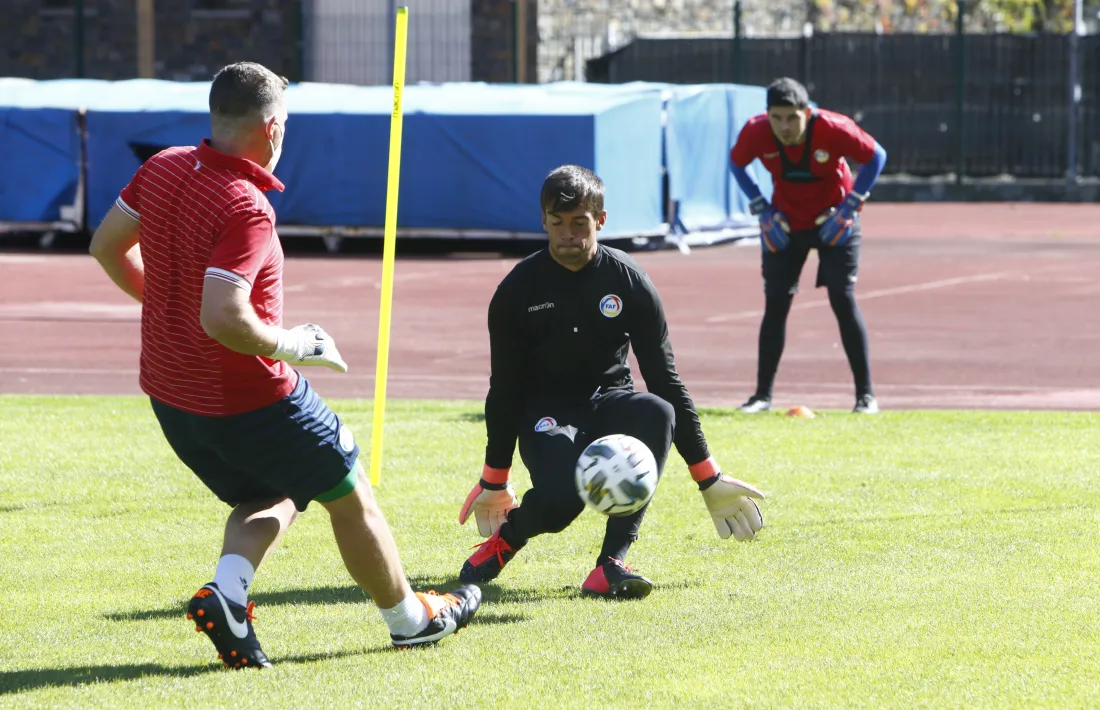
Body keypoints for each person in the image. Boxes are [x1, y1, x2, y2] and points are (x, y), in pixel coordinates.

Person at [88, 61, 480, 668]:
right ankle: (411, 621)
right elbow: (223, 316)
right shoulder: (245, 205)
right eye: (286, 127)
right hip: (249, 397)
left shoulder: (162, 166)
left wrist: (162, 301)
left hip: (171, 397)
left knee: (273, 493)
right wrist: (291, 345)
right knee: (351, 494)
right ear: (272, 129)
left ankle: (229, 599)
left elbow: (106, 244)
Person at [456, 164, 766, 599]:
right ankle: (509, 537)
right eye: (558, 222)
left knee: (658, 410)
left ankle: (611, 563)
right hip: (546, 411)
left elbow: (665, 381)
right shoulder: (516, 292)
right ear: (543, 221)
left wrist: (708, 476)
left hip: (610, 402)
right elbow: (504, 388)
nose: (568, 234)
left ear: (600, 220)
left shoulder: (630, 283)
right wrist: (494, 478)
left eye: (579, 222)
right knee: (563, 504)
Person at [729, 77, 888, 415]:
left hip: (834, 223)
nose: (784, 126)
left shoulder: (834, 128)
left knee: (842, 300)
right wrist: (761, 208)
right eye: (777, 117)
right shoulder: (755, 132)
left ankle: (866, 397)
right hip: (786, 224)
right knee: (776, 304)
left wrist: (851, 207)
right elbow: (737, 163)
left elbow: (877, 156)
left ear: (807, 112)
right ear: (767, 115)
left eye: (792, 117)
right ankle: (761, 397)